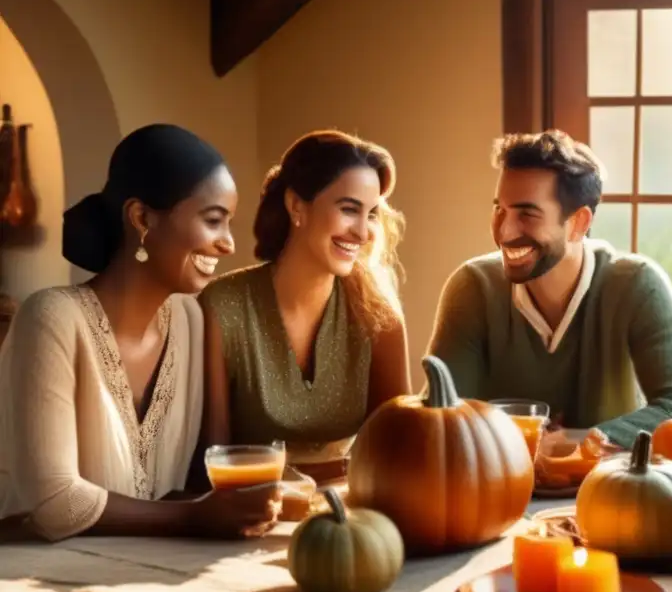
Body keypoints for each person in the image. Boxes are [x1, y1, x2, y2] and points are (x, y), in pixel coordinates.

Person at [0, 124, 282, 542]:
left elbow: (192, 477)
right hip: (24, 585)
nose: (227, 244)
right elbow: (55, 502)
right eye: (213, 221)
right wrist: (191, 518)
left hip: (139, 574)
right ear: (142, 218)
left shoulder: (190, 320)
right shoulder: (51, 318)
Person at [425, 130, 672, 455]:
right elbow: (440, 416)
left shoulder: (637, 285)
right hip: (494, 489)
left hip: (614, 492)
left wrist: (576, 441)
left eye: (527, 214)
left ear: (578, 223)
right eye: (499, 210)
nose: (504, 231)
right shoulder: (473, 288)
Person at [199, 130, 411, 483]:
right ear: (297, 206)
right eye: (348, 209)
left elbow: (400, 449)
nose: (362, 232)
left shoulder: (379, 312)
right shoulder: (223, 306)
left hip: (354, 510)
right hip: (250, 509)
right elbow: (211, 459)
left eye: (371, 214)